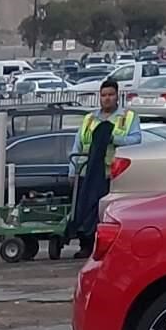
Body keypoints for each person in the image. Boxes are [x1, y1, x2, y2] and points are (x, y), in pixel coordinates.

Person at [65, 80, 138, 255]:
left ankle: (108, 246)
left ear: (117, 96)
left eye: (110, 95)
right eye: (104, 95)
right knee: (86, 208)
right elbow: (78, 145)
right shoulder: (90, 118)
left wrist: (112, 138)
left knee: (106, 211)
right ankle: (86, 245)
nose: (107, 99)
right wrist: (72, 171)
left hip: (112, 174)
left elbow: (136, 140)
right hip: (86, 172)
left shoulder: (127, 117)